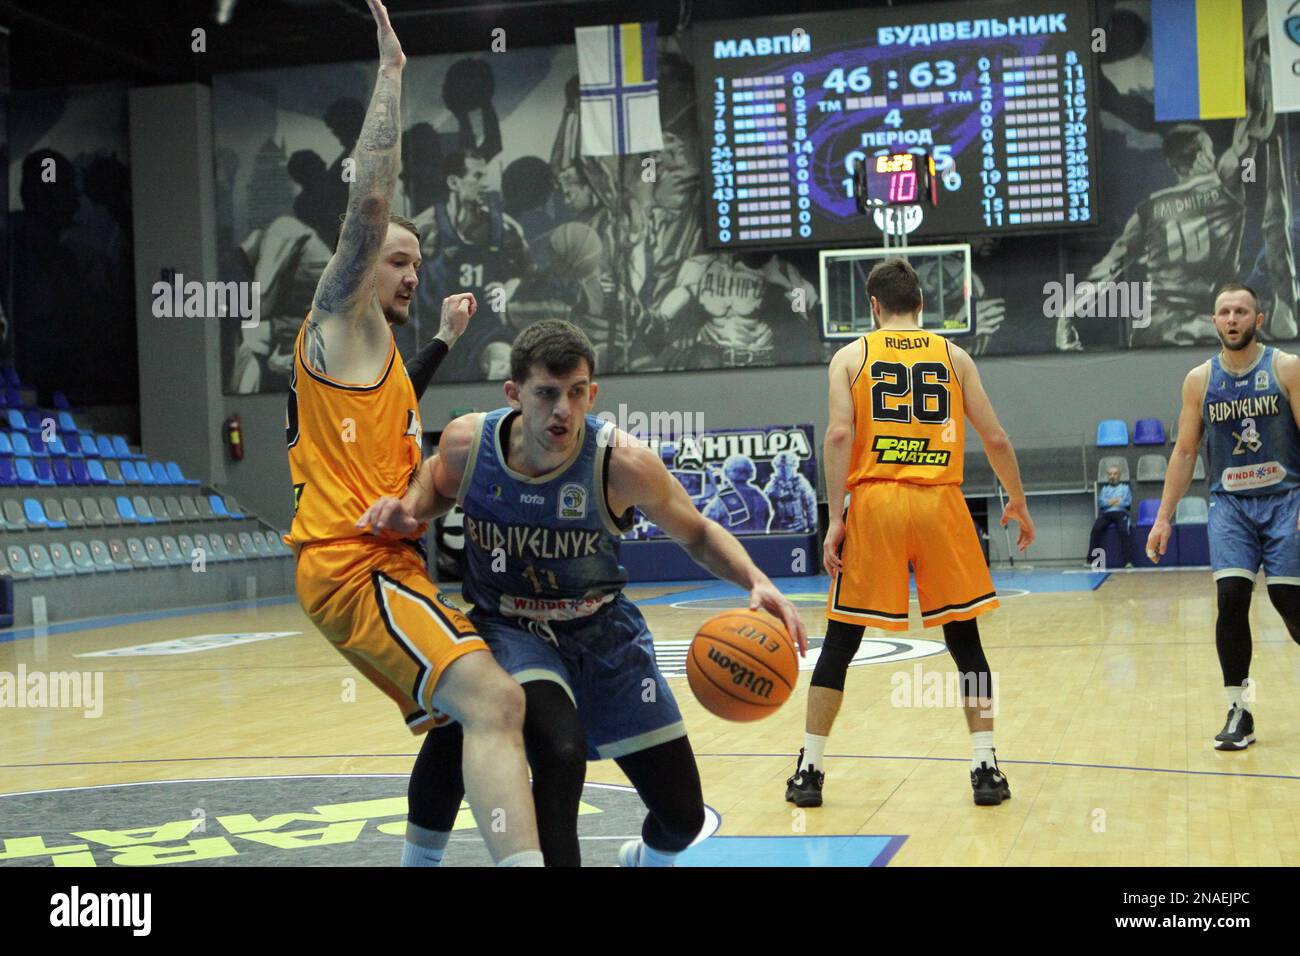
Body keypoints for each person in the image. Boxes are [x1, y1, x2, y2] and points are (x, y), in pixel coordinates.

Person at [358, 319, 809, 866]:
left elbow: (696, 532)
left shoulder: (622, 463)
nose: (563, 411)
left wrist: (758, 582)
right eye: (547, 394)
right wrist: (405, 512)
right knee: (560, 749)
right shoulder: (469, 443)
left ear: (592, 393)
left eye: (576, 393)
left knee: (682, 816)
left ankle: (643, 857)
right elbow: (432, 486)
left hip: (603, 633)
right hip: (510, 627)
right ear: (514, 393)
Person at [286, 0, 540, 867]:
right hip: (352, 565)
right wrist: (392, 76)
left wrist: (444, 339)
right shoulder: (336, 319)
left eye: (417, 266)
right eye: (399, 261)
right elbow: (368, 206)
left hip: (382, 558)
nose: (410, 273)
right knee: (496, 704)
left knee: (454, 719)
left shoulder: (377, 358)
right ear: (360, 269)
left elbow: (396, 405)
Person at [786, 257, 1034, 809]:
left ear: (873, 306)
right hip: (940, 502)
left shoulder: (851, 357)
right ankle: (986, 767)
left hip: (877, 501)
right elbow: (994, 438)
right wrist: (1015, 499)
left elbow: (837, 435)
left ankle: (810, 772)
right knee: (964, 640)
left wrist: (835, 519)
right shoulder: (955, 355)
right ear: (922, 303)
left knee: (842, 642)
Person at [1147, 282, 1300, 751]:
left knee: (1289, 606)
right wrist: (1164, 516)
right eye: (1224, 312)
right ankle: (1240, 707)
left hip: (1286, 500)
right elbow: (1186, 450)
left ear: (1258, 319)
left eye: (1241, 311)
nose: (1232, 318)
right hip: (1230, 505)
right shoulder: (1200, 380)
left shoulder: (1286, 368)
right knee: (1231, 598)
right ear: (1214, 322)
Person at [764, 450, 818, 534]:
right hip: (778, 528)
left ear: (794, 466)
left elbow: (810, 504)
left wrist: (811, 525)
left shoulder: (801, 483)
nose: (785, 469)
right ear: (776, 467)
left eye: (788, 466)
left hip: (799, 527)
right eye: (781, 466)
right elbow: (763, 506)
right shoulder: (771, 485)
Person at [1088, 466, 1133, 566]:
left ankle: (1128, 561)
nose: (1112, 476)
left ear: (1119, 476)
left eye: (1115, 474)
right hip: (1106, 514)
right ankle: (1091, 560)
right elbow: (1102, 504)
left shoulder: (1125, 488)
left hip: (1121, 512)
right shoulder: (1104, 489)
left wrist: (1110, 501)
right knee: (1096, 529)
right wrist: (1116, 500)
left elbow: (1126, 503)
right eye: (1110, 474)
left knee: (1124, 530)